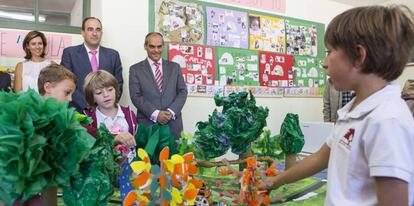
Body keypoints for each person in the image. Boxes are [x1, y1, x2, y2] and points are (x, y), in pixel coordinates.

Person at [258, 5, 414, 206]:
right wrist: (275, 181)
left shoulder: (387, 120)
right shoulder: (353, 110)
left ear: (359, 56)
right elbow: (320, 157)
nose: (324, 63)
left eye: (330, 52)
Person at [82, 70, 137, 203]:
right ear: (92, 97)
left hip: (127, 164)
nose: (106, 95)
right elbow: (89, 147)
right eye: (99, 93)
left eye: (110, 89)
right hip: (101, 166)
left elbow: (136, 143)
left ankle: (130, 202)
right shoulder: (88, 119)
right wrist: (114, 138)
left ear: (116, 90)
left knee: (127, 171)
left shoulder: (128, 114)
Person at [129, 32, 187, 140]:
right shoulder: (135, 69)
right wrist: (156, 114)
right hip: (148, 125)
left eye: (159, 46)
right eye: (152, 46)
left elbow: (182, 92)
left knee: (175, 157)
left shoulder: (175, 67)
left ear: (163, 47)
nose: (156, 50)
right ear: (145, 46)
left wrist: (171, 112)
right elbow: (136, 96)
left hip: (173, 125)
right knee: (148, 157)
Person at [61, 17, 123, 112]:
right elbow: (66, 83)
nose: (94, 33)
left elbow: (118, 84)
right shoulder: (70, 53)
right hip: (79, 111)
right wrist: (86, 104)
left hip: (106, 111)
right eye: (90, 29)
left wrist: (106, 104)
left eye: (98, 30)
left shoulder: (113, 55)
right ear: (82, 33)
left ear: (101, 33)